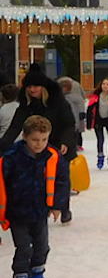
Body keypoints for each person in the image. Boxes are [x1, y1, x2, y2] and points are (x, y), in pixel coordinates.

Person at [1, 116, 71, 278]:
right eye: (34, 140)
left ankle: (37, 277)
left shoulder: (53, 156)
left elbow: (62, 181)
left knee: (42, 247)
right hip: (17, 212)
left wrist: (57, 205)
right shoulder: (12, 156)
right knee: (24, 249)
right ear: (24, 137)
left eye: (43, 139)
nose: (39, 144)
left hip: (40, 212)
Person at [2, 66, 80, 225]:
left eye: (36, 86)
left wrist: (65, 141)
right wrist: (2, 145)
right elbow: (15, 127)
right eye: (29, 87)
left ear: (43, 87)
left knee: (60, 176)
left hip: (59, 144)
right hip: (36, 144)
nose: (32, 90)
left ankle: (63, 207)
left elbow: (69, 124)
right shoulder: (26, 103)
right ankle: (40, 207)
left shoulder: (57, 101)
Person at [86, 78, 108, 171]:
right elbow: (89, 110)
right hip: (98, 120)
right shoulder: (95, 97)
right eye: (104, 84)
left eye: (107, 84)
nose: (105, 86)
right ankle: (100, 157)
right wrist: (89, 124)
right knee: (100, 139)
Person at [58, 77, 87, 155]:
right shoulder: (77, 85)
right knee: (77, 131)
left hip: (70, 118)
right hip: (77, 113)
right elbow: (83, 95)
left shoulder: (64, 98)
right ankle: (78, 144)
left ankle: (74, 146)